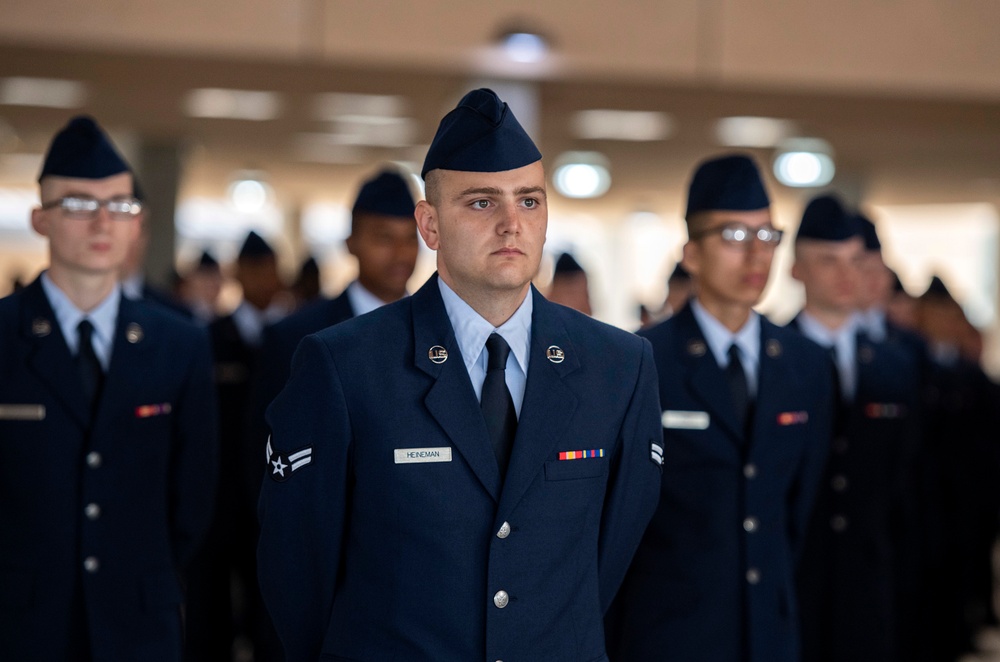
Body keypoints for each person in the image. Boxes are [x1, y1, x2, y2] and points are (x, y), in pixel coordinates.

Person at [257, 88, 663, 661]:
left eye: (529, 201)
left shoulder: (617, 367)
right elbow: (297, 568)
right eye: (480, 203)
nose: (510, 225)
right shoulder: (346, 366)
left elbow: (616, 552)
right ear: (429, 224)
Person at [0, 115, 217, 661]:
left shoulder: (179, 342)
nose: (102, 222)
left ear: (137, 220)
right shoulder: (5, 336)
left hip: (139, 621)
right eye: (77, 204)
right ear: (40, 220)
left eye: (119, 205)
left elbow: (193, 495)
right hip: (21, 622)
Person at [606, 154, 831, 662]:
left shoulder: (804, 364)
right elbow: (621, 520)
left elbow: (798, 511)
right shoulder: (640, 361)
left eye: (767, 235)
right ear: (691, 252)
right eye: (732, 236)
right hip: (670, 633)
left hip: (768, 633)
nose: (756, 255)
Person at [787, 194, 921, 662]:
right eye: (828, 261)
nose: (846, 275)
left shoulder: (893, 365)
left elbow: (907, 484)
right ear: (797, 269)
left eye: (855, 261)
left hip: (870, 580)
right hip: (792, 580)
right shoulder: (772, 358)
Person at [186, 230, 289, 661]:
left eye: (267, 268)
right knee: (210, 615)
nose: (260, 278)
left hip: (279, 493)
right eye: (251, 269)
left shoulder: (297, 338)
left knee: (273, 616)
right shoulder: (209, 339)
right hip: (220, 498)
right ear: (236, 275)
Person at [255, 167, 420, 418]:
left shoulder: (438, 329)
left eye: (410, 238)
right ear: (350, 243)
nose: (401, 253)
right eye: (384, 238)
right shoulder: (297, 336)